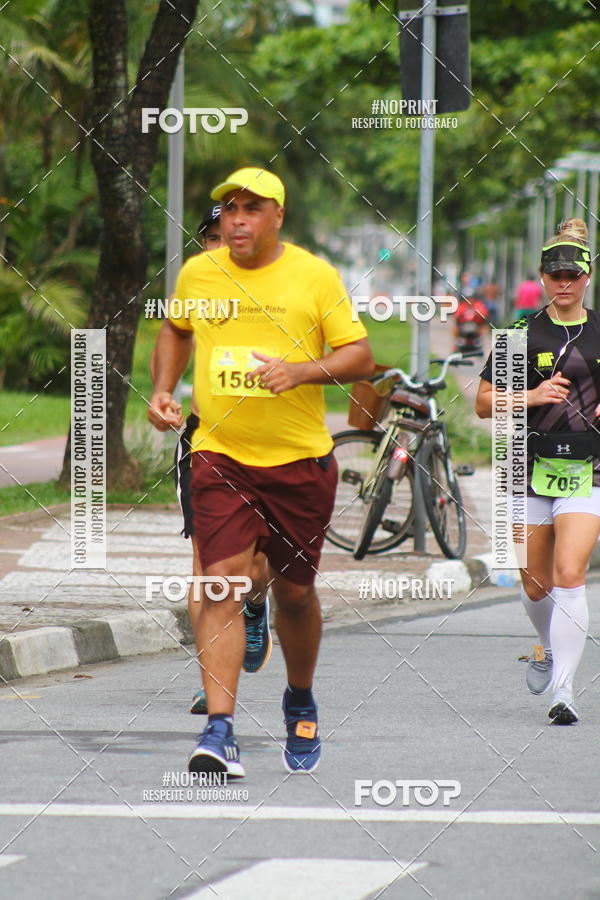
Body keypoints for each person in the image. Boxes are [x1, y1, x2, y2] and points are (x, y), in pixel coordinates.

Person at [149, 166, 375, 777]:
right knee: (219, 581)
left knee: (295, 595)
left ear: (278, 216)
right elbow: (176, 328)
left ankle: (299, 695)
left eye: (252, 208)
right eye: (229, 208)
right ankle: (219, 731)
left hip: (299, 460)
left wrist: (299, 371)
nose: (237, 218)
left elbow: (360, 356)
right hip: (219, 454)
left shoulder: (313, 275)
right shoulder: (200, 272)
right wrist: (163, 389)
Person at [476, 218, 600, 725]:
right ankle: (547, 647)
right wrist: (530, 396)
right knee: (534, 584)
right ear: (542, 278)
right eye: (555, 274)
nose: (564, 282)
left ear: (587, 276)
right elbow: (484, 404)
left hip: (589, 467)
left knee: (570, 573)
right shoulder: (519, 333)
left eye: (572, 273)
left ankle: (564, 691)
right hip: (524, 467)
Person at [150, 205, 271, 718]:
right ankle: (212, 682)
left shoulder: (278, 288)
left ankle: (257, 602)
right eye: (211, 237)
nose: (219, 246)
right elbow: (174, 336)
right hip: (207, 440)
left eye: (228, 237)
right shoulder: (197, 289)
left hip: (271, 442)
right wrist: (163, 393)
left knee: (257, 565)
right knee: (207, 568)